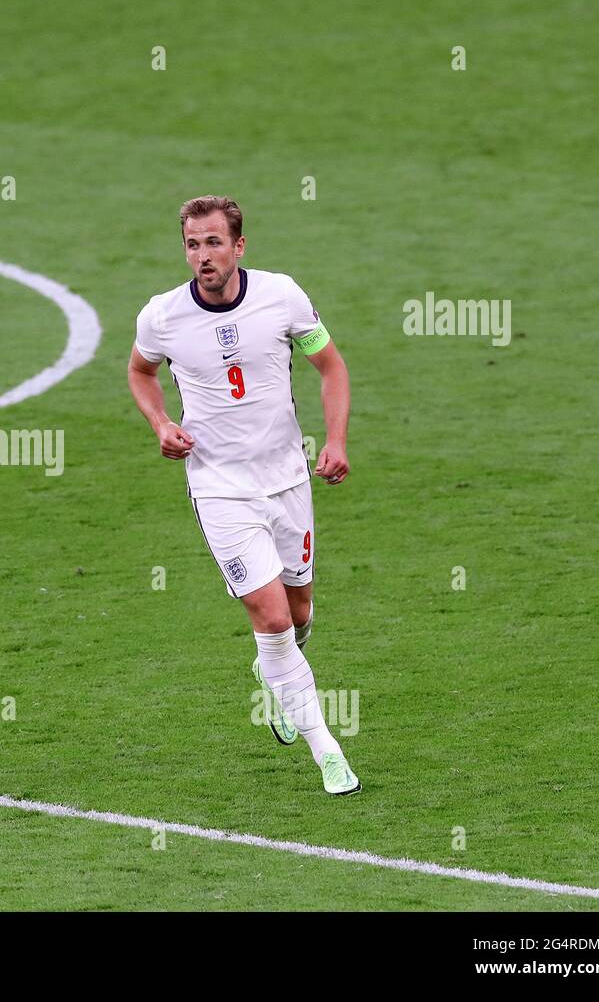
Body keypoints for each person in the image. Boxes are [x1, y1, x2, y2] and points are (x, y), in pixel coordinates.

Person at [126, 195, 360, 795]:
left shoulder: (283, 296)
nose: (201, 256)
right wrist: (161, 425)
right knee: (273, 615)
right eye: (191, 244)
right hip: (220, 488)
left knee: (300, 612)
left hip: (286, 480)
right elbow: (141, 372)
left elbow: (330, 367)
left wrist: (334, 441)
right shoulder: (161, 316)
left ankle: (274, 670)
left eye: (212, 243)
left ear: (238, 246)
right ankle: (328, 752)